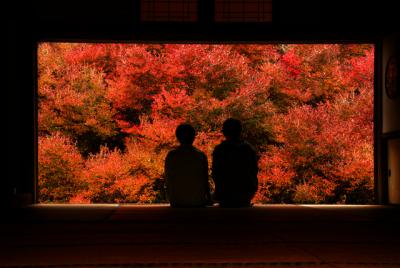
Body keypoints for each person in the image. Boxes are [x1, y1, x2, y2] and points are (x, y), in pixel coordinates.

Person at [212, 118, 258, 207]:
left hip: (224, 195)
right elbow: (254, 171)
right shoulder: (248, 149)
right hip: (245, 195)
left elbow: (215, 174)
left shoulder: (219, 149)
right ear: (240, 131)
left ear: (224, 132)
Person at [165, 124, 212, 208]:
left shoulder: (171, 156)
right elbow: (205, 179)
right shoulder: (200, 155)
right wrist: (209, 198)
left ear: (177, 137)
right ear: (193, 137)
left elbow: (168, 179)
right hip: (197, 201)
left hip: (177, 202)